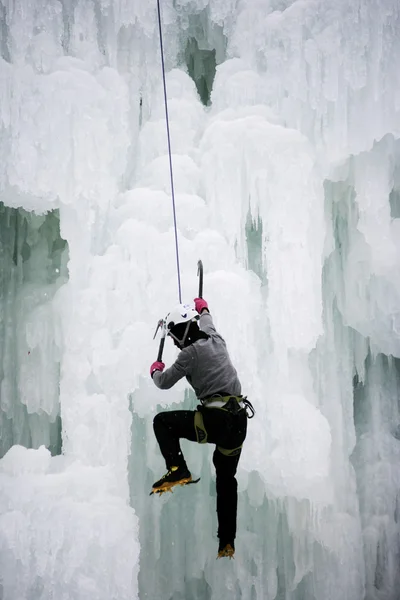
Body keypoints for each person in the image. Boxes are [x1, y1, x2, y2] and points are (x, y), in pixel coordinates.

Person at [150, 297, 253, 559]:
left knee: (162, 422)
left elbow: (163, 382)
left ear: (183, 330)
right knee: (226, 479)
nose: (174, 342)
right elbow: (205, 315)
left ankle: (177, 469)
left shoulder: (189, 354)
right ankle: (226, 542)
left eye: (174, 336)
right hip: (239, 421)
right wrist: (202, 306)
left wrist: (155, 370)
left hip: (216, 421)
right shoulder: (214, 336)